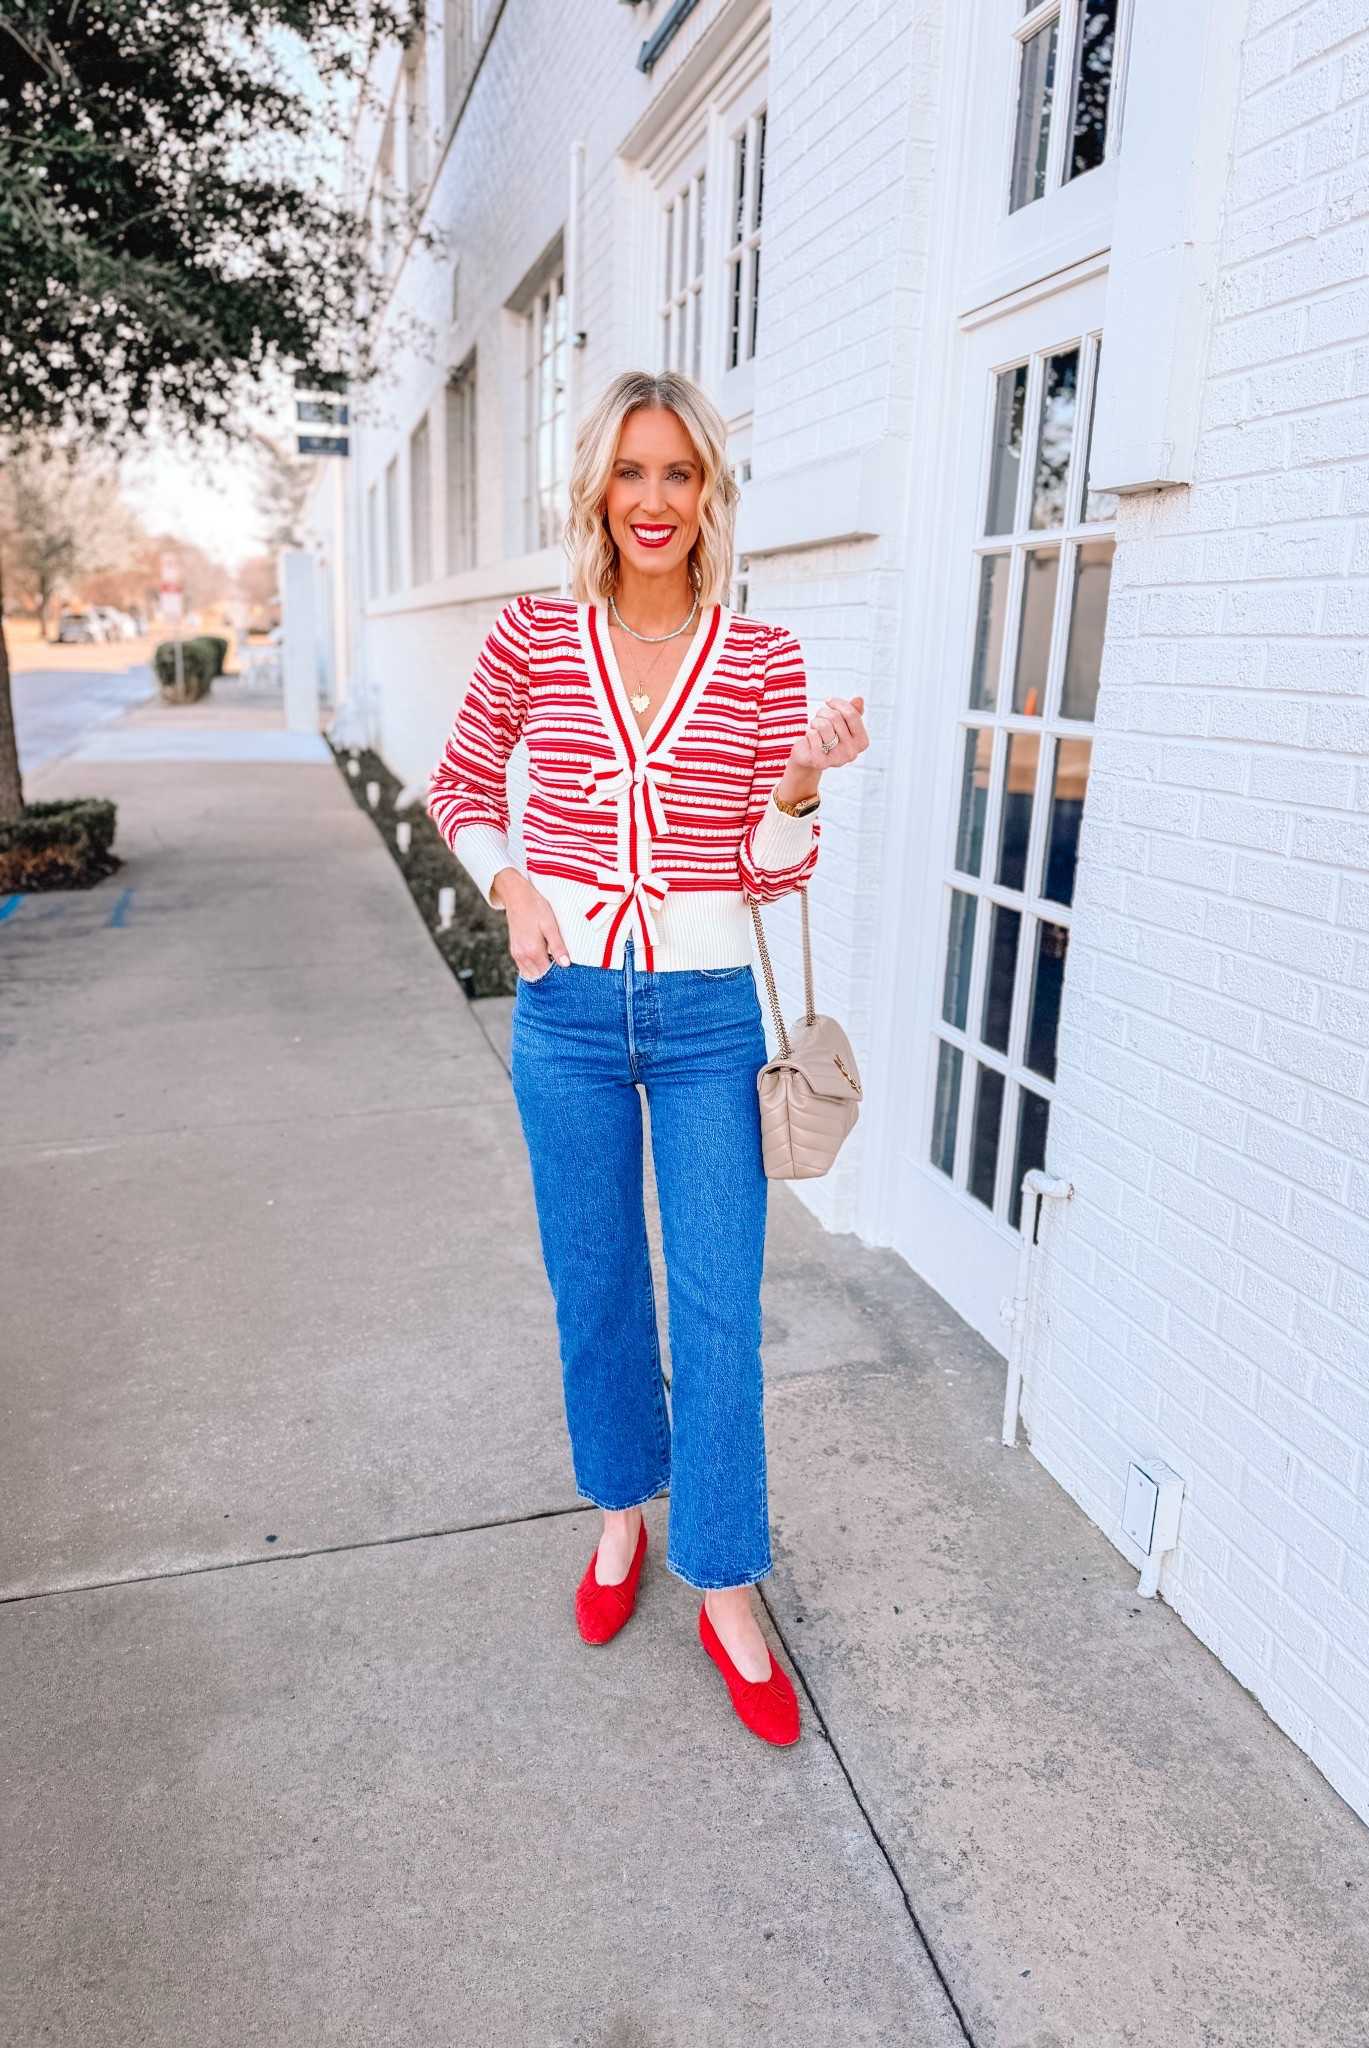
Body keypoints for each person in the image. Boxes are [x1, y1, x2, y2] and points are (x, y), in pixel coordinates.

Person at [427, 370, 868, 1745]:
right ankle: (620, 1514)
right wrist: (508, 881)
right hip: (563, 1018)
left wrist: (796, 787)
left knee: (722, 1310)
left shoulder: (764, 658)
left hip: (704, 1026)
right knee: (600, 1290)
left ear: (709, 494)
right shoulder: (535, 640)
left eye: (680, 475)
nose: (656, 501)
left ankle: (727, 1582)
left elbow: (766, 877)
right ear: (599, 492)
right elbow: (456, 781)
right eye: (633, 474)